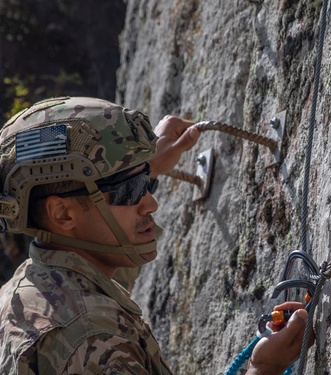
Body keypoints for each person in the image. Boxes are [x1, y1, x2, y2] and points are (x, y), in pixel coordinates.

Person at [0, 96, 310, 374]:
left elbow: (99, 283)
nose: (151, 202)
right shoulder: (96, 344)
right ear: (62, 214)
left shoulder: (27, 293)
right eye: (129, 190)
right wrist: (265, 368)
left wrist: (142, 167)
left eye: (146, 182)